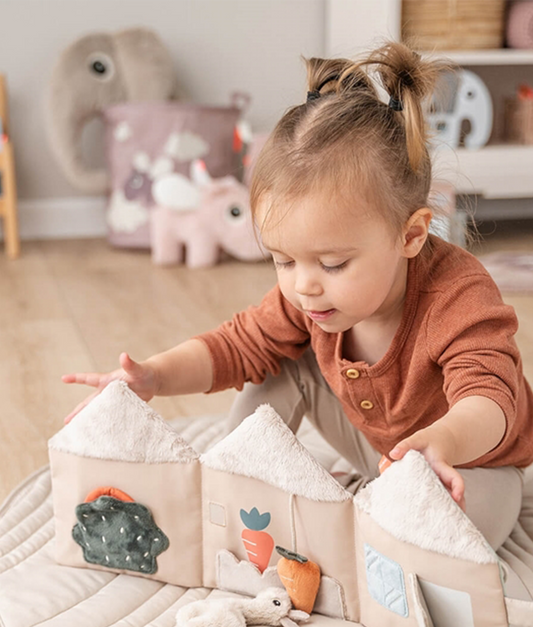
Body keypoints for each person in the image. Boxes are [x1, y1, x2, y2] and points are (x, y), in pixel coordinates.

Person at [62, 42, 533, 551]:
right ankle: (239, 480)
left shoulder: (458, 295)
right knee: (282, 364)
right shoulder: (311, 297)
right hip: (376, 447)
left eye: (332, 264)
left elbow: (490, 398)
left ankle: (386, 528)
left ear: (411, 236)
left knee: (461, 527)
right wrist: (154, 375)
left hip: (467, 462)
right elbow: (236, 346)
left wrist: (442, 443)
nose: (304, 285)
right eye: (283, 260)